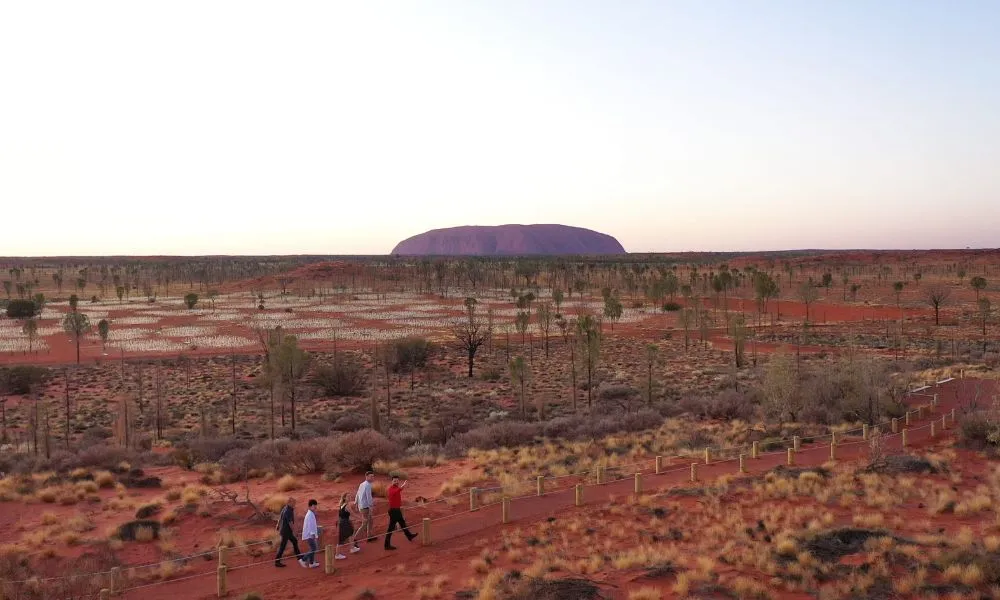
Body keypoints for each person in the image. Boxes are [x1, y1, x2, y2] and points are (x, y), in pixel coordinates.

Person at [384, 475, 417, 550]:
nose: (396, 482)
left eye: (397, 481)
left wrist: (402, 486)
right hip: (393, 511)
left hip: (397, 510)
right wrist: (403, 485)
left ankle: (409, 536)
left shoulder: (396, 488)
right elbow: (397, 490)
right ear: (392, 481)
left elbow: (399, 490)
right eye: (394, 481)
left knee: (402, 523)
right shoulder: (391, 489)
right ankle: (386, 545)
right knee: (391, 528)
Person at [274, 497, 305, 568]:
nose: (294, 504)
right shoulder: (288, 511)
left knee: (294, 541)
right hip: (286, 532)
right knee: (283, 546)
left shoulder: (285, 508)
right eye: (293, 503)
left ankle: (298, 555)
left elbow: (280, 517)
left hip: (285, 531)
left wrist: (277, 525)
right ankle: (277, 562)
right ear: (289, 503)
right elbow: (290, 523)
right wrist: (295, 531)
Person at [335, 492, 363, 560]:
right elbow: (353, 514)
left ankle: (352, 548)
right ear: (344, 498)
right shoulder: (347, 505)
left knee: (350, 534)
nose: (350, 498)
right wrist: (362, 519)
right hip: (345, 523)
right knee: (342, 538)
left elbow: (343, 515)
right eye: (348, 497)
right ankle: (337, 554)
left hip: (343, 522)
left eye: (350, 496)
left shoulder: (342, 505)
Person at [355, 471, 376, 543]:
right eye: (371, 476)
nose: (372, 478)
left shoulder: (362, 484)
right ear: (366, 477)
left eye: (373, 476)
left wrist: (356, 503)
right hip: (365, 507)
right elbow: (369, 497)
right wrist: (371, 506)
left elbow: (357, 494)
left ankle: (369, 536)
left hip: (361, 506)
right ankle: (354, 538)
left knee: (370, 521)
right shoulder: (368, 485)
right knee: (365, 523)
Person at [301, 499, 321, 568]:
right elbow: (310, 525)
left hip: (310, 535)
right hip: (310, 535)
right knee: (313, 548)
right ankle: (303, 559)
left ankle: (311, 563)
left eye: (315, 506)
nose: (315, 507)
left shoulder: (311, 513)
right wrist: (312, 534)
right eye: (314, 506)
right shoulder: (310, 515)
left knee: (313, 548)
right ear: (310, 506)